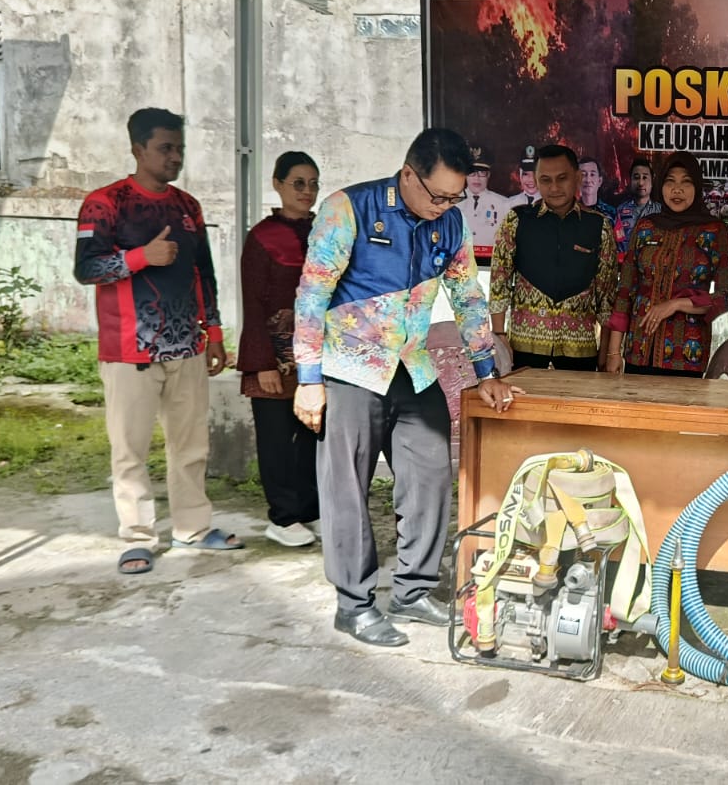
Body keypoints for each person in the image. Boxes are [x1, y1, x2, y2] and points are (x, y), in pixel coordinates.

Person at [293, 127, 522, 648]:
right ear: (408, 176)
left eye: (454, 198)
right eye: (437, 195)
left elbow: (467, 296)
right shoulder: (348, 209)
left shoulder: (451, 223)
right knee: (347, 488)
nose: (445, 207)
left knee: (429, 476)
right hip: (350, 368)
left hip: (413, 368)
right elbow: (311, 295)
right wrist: (308, 379)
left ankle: (413, 591)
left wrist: (486, 372)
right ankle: (354, 605)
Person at [73, 107, 238, 575]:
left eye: (179, 148)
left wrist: (215, 333)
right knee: (130, 451)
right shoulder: (105, 203)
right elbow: (86, 268)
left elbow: (203, 273)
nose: (175, 157)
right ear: (138, 149)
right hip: (130, 351)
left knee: (192, 446)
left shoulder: (188, 206)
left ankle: (193, 527)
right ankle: (138, 537)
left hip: (187, 347)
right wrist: (141, 256)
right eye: (165, 148)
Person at [238, 151, 323, 548]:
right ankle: (283, 517)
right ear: (277, 184)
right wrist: (262, 363)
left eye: (313, 184)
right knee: (277, 440)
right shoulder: (262, 237)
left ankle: (310, 509)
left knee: (312, 435)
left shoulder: (325, 231)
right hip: (274, 356)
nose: (307, 191)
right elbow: (253, 303)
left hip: (318, 355)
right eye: (298, 183)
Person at [605, 151, 728, 377]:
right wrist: (613, 352)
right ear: (661, 186)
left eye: (686, 182)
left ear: (697, 187)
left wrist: (676, 304)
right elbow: (625, 291)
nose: (677, 190)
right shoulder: (645, 227)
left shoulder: (715, 231)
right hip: (638, 350)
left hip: (686, 356)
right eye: (670, 181)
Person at [489, 144, 618, 371]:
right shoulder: (517, 220)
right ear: (536, 181)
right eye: (546, 180)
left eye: (562, 178)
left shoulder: (599, 226)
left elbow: (606, 297)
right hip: (523, 348)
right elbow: (499, 281)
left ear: (577, 178)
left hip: (579, 350)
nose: (554, 187)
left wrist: (606, 354)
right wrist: (499, 336)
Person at [464, 143, 511, 260]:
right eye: (472, 172)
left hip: (491, 265)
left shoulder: (503, 204)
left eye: (482, 173)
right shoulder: (453, 203)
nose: (477, 178)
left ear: (488, 174)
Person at [612, 157, 660, 252]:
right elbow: (617, 244)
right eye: (636, 177)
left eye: (645, 177)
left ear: (652, 180)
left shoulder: (660, 210)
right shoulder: (620, 211)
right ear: (630, 180)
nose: (641, 183)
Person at [578, 156, 618, 228]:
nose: (588, 180)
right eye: (583, 175)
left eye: (592, 174)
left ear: (599, 181)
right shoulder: (570, 213)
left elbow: (619, 235)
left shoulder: (612, 213)